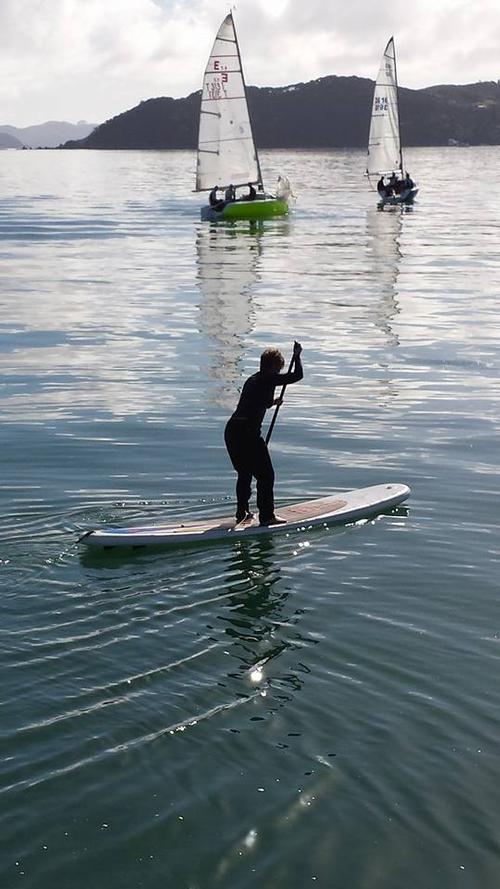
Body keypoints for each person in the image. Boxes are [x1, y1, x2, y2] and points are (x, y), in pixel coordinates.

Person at [225, 342, 303, 526]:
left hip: (232, 431)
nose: (279, 372)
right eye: (278, 369)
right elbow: (298, 376)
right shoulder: (268, 378)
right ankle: (267, 516)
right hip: (247, 433)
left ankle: (242, 512)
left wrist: (272, 402)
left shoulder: (253, 380)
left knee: (245, 473)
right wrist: (298, 356)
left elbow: (259, 402)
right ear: (273, 367)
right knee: (266, 475)